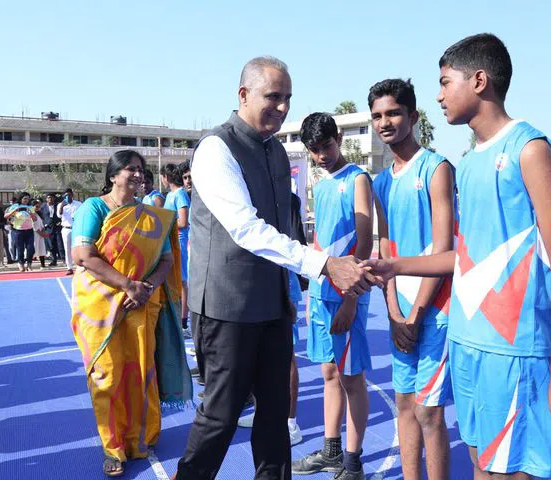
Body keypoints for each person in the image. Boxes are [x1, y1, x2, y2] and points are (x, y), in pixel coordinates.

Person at [364, 33, 551, 479]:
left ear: (479, 80)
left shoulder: (529, 149)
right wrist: (395, 266)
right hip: (467, 341)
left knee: (513, 470)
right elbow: (466, 258)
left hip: (513, 347)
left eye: (445, 82)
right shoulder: (469, 161)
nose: (439, 95)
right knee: (480, 461)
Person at [175, 55, 370, 480]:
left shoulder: (278, 153)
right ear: (243, 95)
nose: (282, 108)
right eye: (272, 97)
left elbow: (289, 227)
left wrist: (298, 290)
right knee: (221, 416)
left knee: (275, 414)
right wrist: (323, 266)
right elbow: (246, 228)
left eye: (287, 99)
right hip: (228, 307)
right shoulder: (215, 149)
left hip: (274, 305)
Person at [70, 149, 191, 477]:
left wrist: (145, 288)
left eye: (141, 170)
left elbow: (166, 260)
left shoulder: (151, 216)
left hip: (140, 307)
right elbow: (83, 255)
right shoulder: (93, 208)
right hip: (102, 308)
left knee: (140, 372)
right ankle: (114, 447)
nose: (138, 175)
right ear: (113, 175)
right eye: (130, 170)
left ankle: (141, 438)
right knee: (107, 376)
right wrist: (128, 285)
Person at [369, 78, 456, 480]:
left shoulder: (436, 168)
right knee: (404, 404)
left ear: (413, 116)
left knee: (429, 412)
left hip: (433, 311)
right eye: (377, 116)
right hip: (399, 312)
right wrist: (392, 312)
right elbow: (385, 246)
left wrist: (416, 314)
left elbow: (443, 249)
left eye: (393, 113)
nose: (384, 122)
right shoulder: (381, 181)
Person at [286, 113, 374, 480]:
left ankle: (353, 463)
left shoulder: (357, 179)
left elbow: (366, 242)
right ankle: (332, 450)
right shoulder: (320, 186)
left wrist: (352, 298)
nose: (321, 155)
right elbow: (320, 244)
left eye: (326, 146)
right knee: (327, 372)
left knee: (351, 377)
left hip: (347, 296)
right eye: (314, 150)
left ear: (339, 138)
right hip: (322, 295)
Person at [237, 191, 308, 447]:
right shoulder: (249, 196)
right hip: (255, 284)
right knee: (258, 355)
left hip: (282, 282)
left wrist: (288, 291)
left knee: (286, 357)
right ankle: (262, 411)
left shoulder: (285, 199)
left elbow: (291, 242)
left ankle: (290, 423)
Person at [161, 163, 191, 338]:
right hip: (170, 242)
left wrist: (165, 223)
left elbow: (183, 222)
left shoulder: (180, 195)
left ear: (166, 177)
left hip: (179, 244)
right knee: (174, 282)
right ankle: (176, 317)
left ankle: (184, 322)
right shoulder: (171, 195)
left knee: (183, 282)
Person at [4, 192, 38, 272]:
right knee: (20, 249)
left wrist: (31, 213)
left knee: (30, 248)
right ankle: (21, 263)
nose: (26, 200)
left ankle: (29, 264)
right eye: (24, 198)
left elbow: (35, 219)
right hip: (18, 231)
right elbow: (6, 216)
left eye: (27, 198)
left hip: (29, 230)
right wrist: (14, 211)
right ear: (21, 199)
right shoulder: (15, 206)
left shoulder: (30, 207)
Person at [58, 188, 83, 275]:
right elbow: (59, 215)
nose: (68, 197)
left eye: (69, 195)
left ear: (72, 195)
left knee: (79, 247)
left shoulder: (78, 204)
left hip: (77, 228)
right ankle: (69, 267)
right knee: (67, 249)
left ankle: (80, 266)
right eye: (66, 195)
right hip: (66, 229)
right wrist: (62, 206)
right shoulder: (60, 205)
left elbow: (82, 214)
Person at [32, 199, 51, 270]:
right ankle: (28, 265)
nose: (38, 208)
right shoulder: (31, 214)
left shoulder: (38, 214)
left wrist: (43, 232)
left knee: (42, 249)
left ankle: (43, 266)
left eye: (39, 207)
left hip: (40, 234)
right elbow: (34, 226)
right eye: (36, 206)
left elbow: (41, 224)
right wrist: (42, 234)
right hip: (34, 234)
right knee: (33, 249)